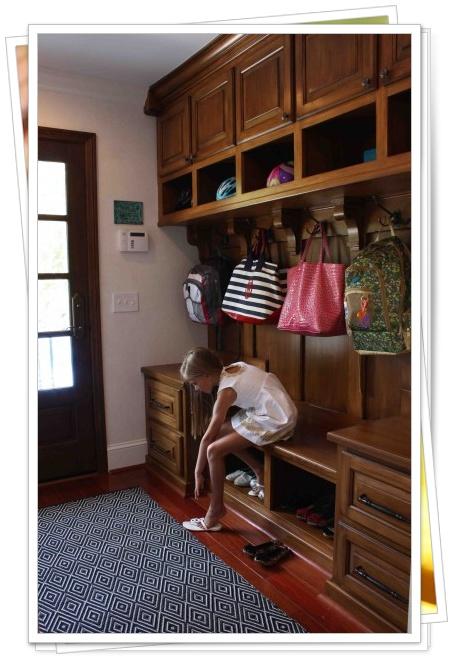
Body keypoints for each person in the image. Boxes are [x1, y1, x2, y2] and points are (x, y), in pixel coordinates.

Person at [180, 347, 297, 532]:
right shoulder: (231, 369)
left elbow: (207, 438)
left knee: (213, 450)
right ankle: (259, 470)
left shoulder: (226, 392)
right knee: (219, 434)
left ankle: (216, 509)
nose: (195, 387)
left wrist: (197, 472)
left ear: (205, 376)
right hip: (267, 409)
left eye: (195, 383)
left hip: (277, 417)